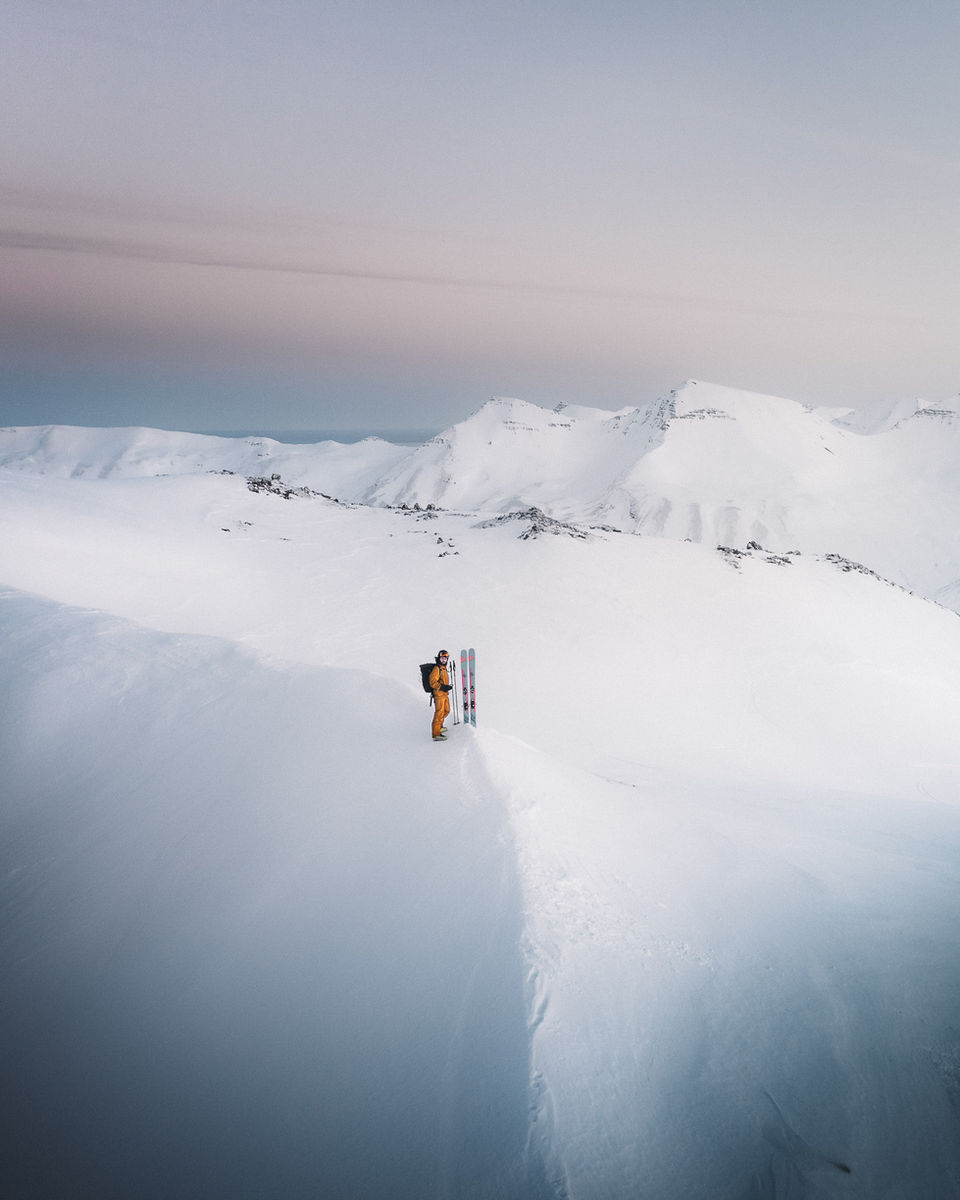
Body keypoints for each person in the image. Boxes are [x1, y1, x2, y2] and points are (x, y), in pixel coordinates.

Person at [429, 650, 452, 740]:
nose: (443, 660)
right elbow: (432, 682)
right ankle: (436, 734)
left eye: (445, 658)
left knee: (446, 710)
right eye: (442, 658)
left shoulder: (443, 668)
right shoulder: (437, 668)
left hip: (444, 694)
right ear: (439, 658)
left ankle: (439, 727)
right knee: (439, 713)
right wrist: (443, 687)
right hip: (439, 695)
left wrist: (447, 687)